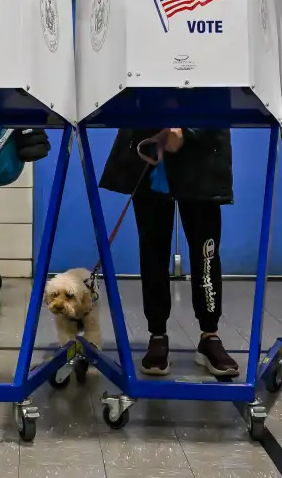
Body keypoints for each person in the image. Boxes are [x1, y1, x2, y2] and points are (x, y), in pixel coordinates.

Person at [100, 127, 238, 377]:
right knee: (153, 251)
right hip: (153, 151)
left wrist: (188, 131)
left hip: (202, 157)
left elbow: (224, 92)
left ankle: (210, 335)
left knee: (205, 254)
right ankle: (157, 334)